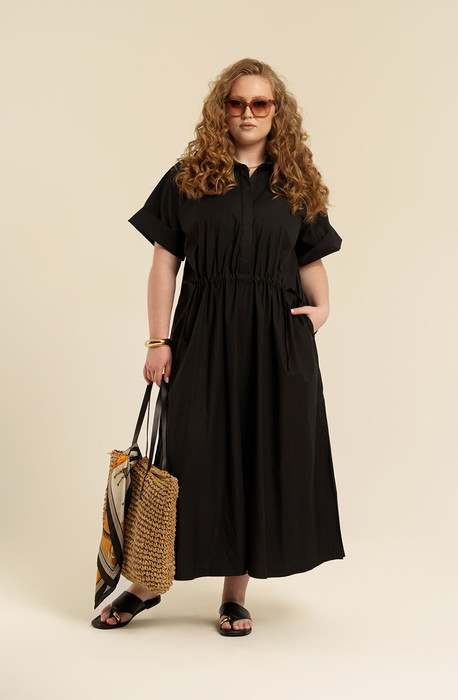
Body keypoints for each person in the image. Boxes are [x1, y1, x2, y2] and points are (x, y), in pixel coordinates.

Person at [94, 57, 345, 636]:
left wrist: (322, 309)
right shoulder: (189, 177)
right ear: (222, 110)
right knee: (190, 454)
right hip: (203, 337)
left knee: (258, 456)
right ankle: (149, 582)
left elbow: (310, 258)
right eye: (237, 103)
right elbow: (164, 265)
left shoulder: (296, 183)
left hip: (276, 344)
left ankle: (235, 595)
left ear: (277, 112)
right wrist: (158, 339)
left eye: (260, 103)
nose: (248, 113)